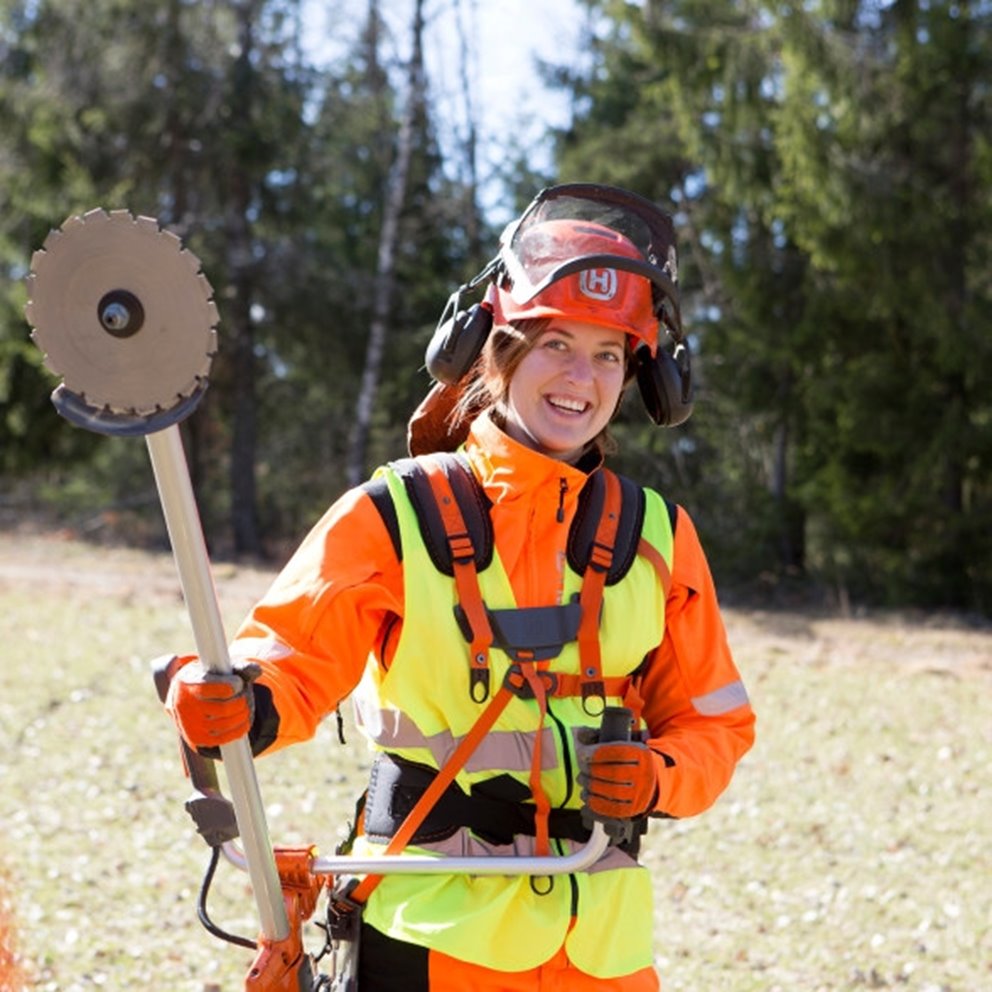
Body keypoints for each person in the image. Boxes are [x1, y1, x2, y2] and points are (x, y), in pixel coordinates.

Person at [165, 183, 755, 991]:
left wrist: (661, 775)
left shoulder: (660, 536)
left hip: (602, 945)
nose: (581, 377)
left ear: (644, 378)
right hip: (429, 929)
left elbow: (713, 721)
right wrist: (240, 702)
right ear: (495, 349)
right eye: (555, 343)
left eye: (609, 354)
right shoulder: (393, 512)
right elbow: (291, 657)